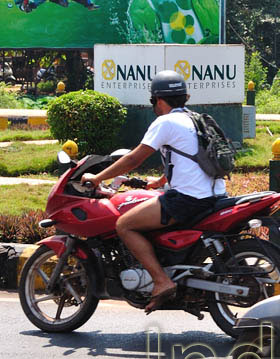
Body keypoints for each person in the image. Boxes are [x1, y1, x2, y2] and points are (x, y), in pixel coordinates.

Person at [80, 70, 226, 312]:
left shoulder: (165, 122)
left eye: (153, 102)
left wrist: (97, 178)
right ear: (185, 97)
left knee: (124, 225)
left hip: (188, 200)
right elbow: (192, 158)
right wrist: (159, 182)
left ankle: (161, 280)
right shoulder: (195, 119)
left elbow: (133, 159)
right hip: (215, 196)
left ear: (158, 100)